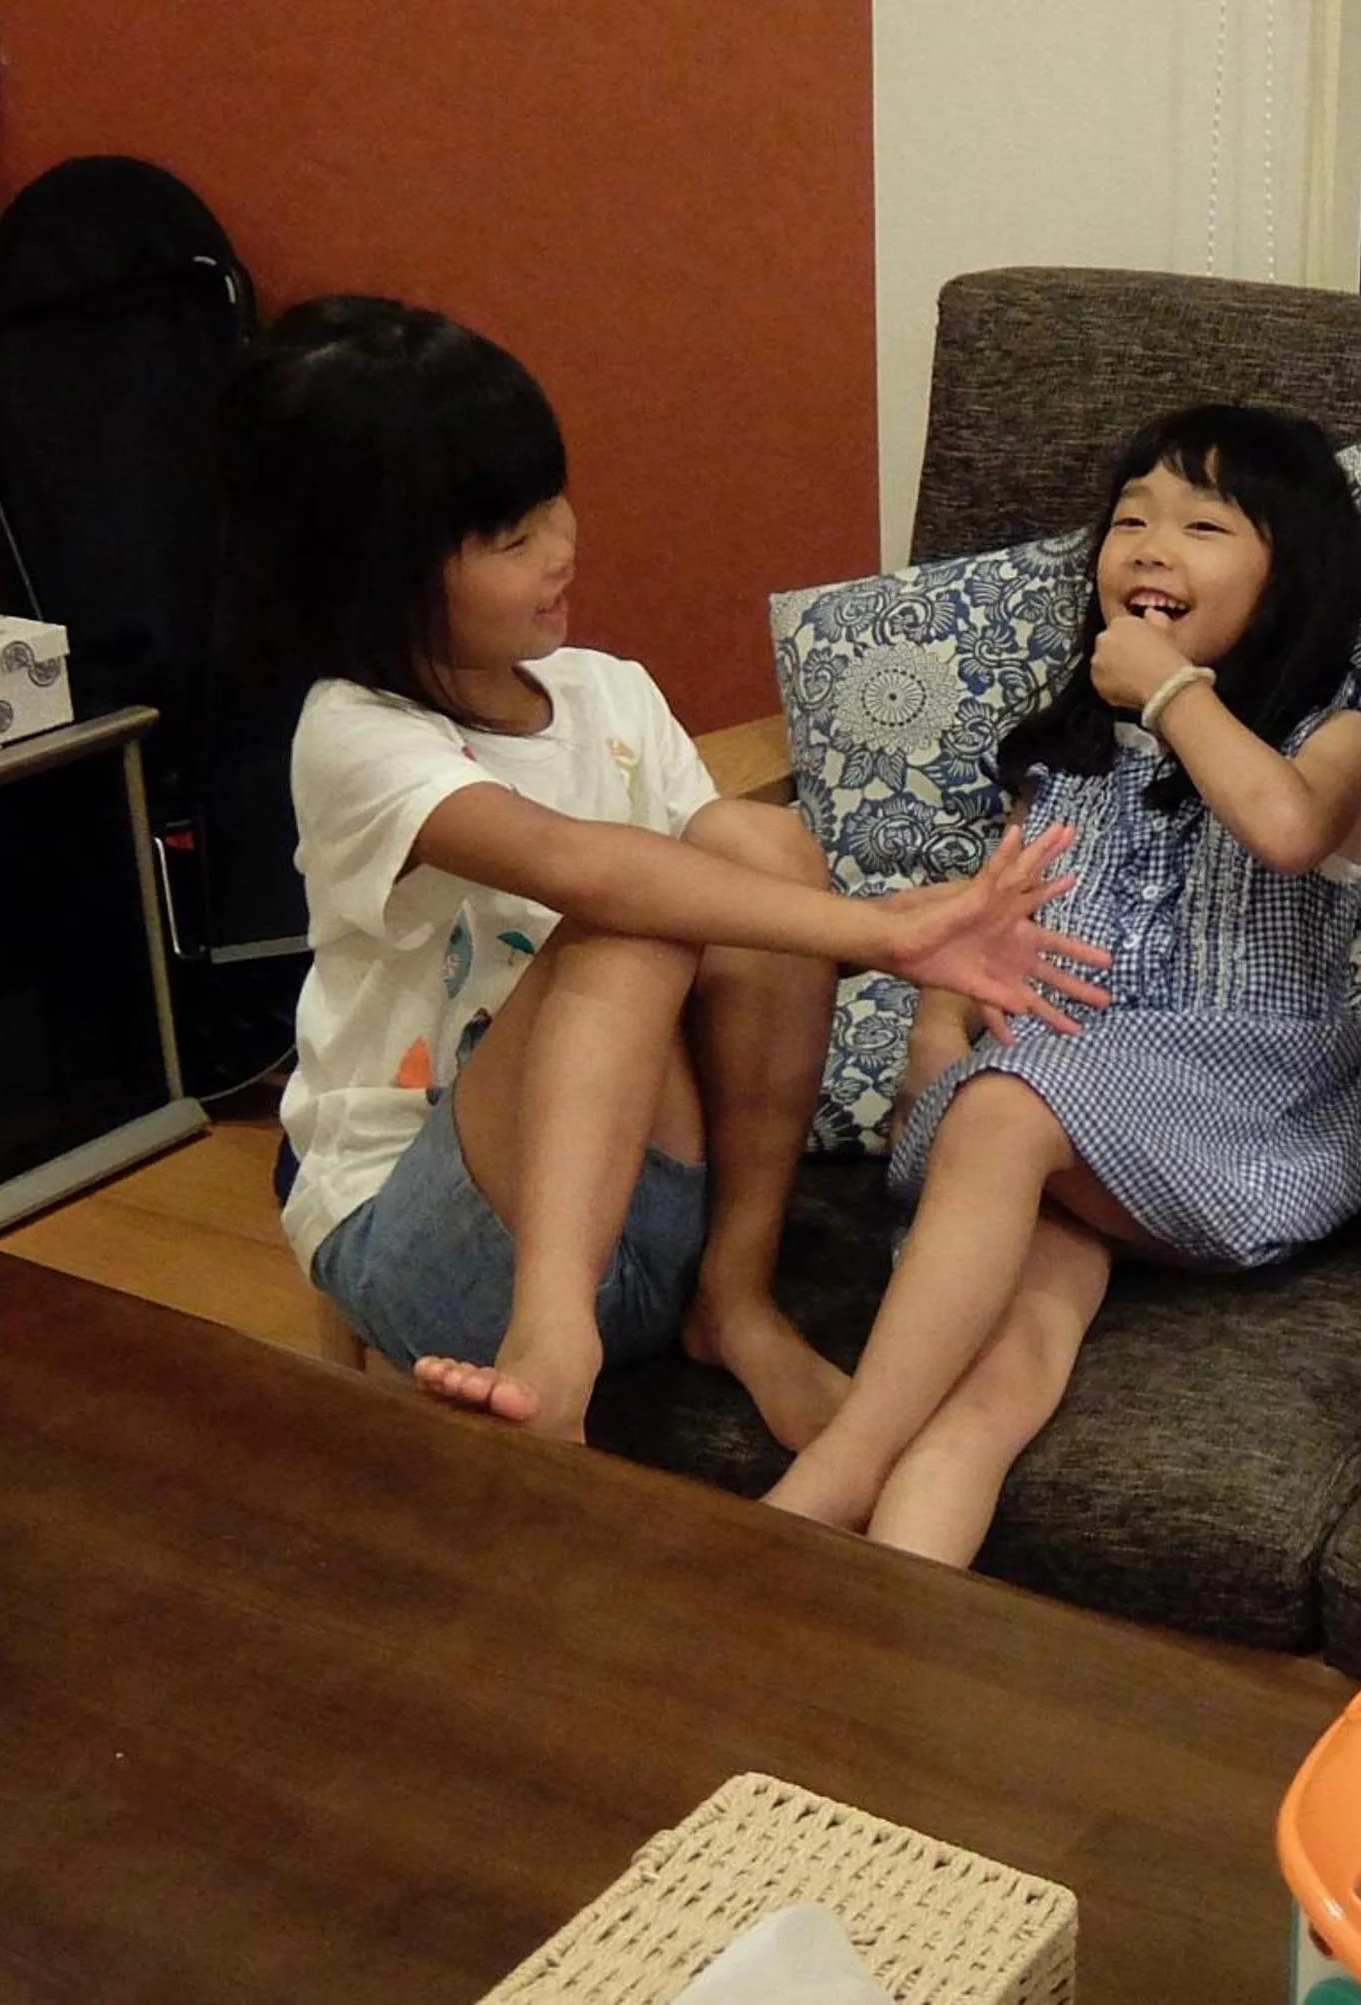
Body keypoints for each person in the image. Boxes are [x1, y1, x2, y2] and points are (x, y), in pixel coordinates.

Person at [226, 296, 1109, 1447]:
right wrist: (885, 930)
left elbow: (738, 927)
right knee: (630, 906)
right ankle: (555, 1343)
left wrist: (854, 920)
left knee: (751, 848)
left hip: (656, 1199)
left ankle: (732, 1302)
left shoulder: (609, 690)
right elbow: (570, 861)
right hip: (436, 1239)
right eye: (510, 538)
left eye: (554, 506)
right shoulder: (352, 734)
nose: (563, 546)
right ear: (371, 578)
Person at [763, 404, 1361, 1563]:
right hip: (1068, 1147)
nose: (1150, 544)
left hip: (1238, 1121)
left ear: (1293, 574)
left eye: (1203, 524)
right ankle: (873, 1647)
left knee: (1006, 1109)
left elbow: (1288, 829)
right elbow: (984, 928)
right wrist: (934, 1048)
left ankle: (831, 1475)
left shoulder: (1332, 733)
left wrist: (1170, 694)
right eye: (1131, 518)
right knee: (988, 1393)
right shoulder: (1066, 757)